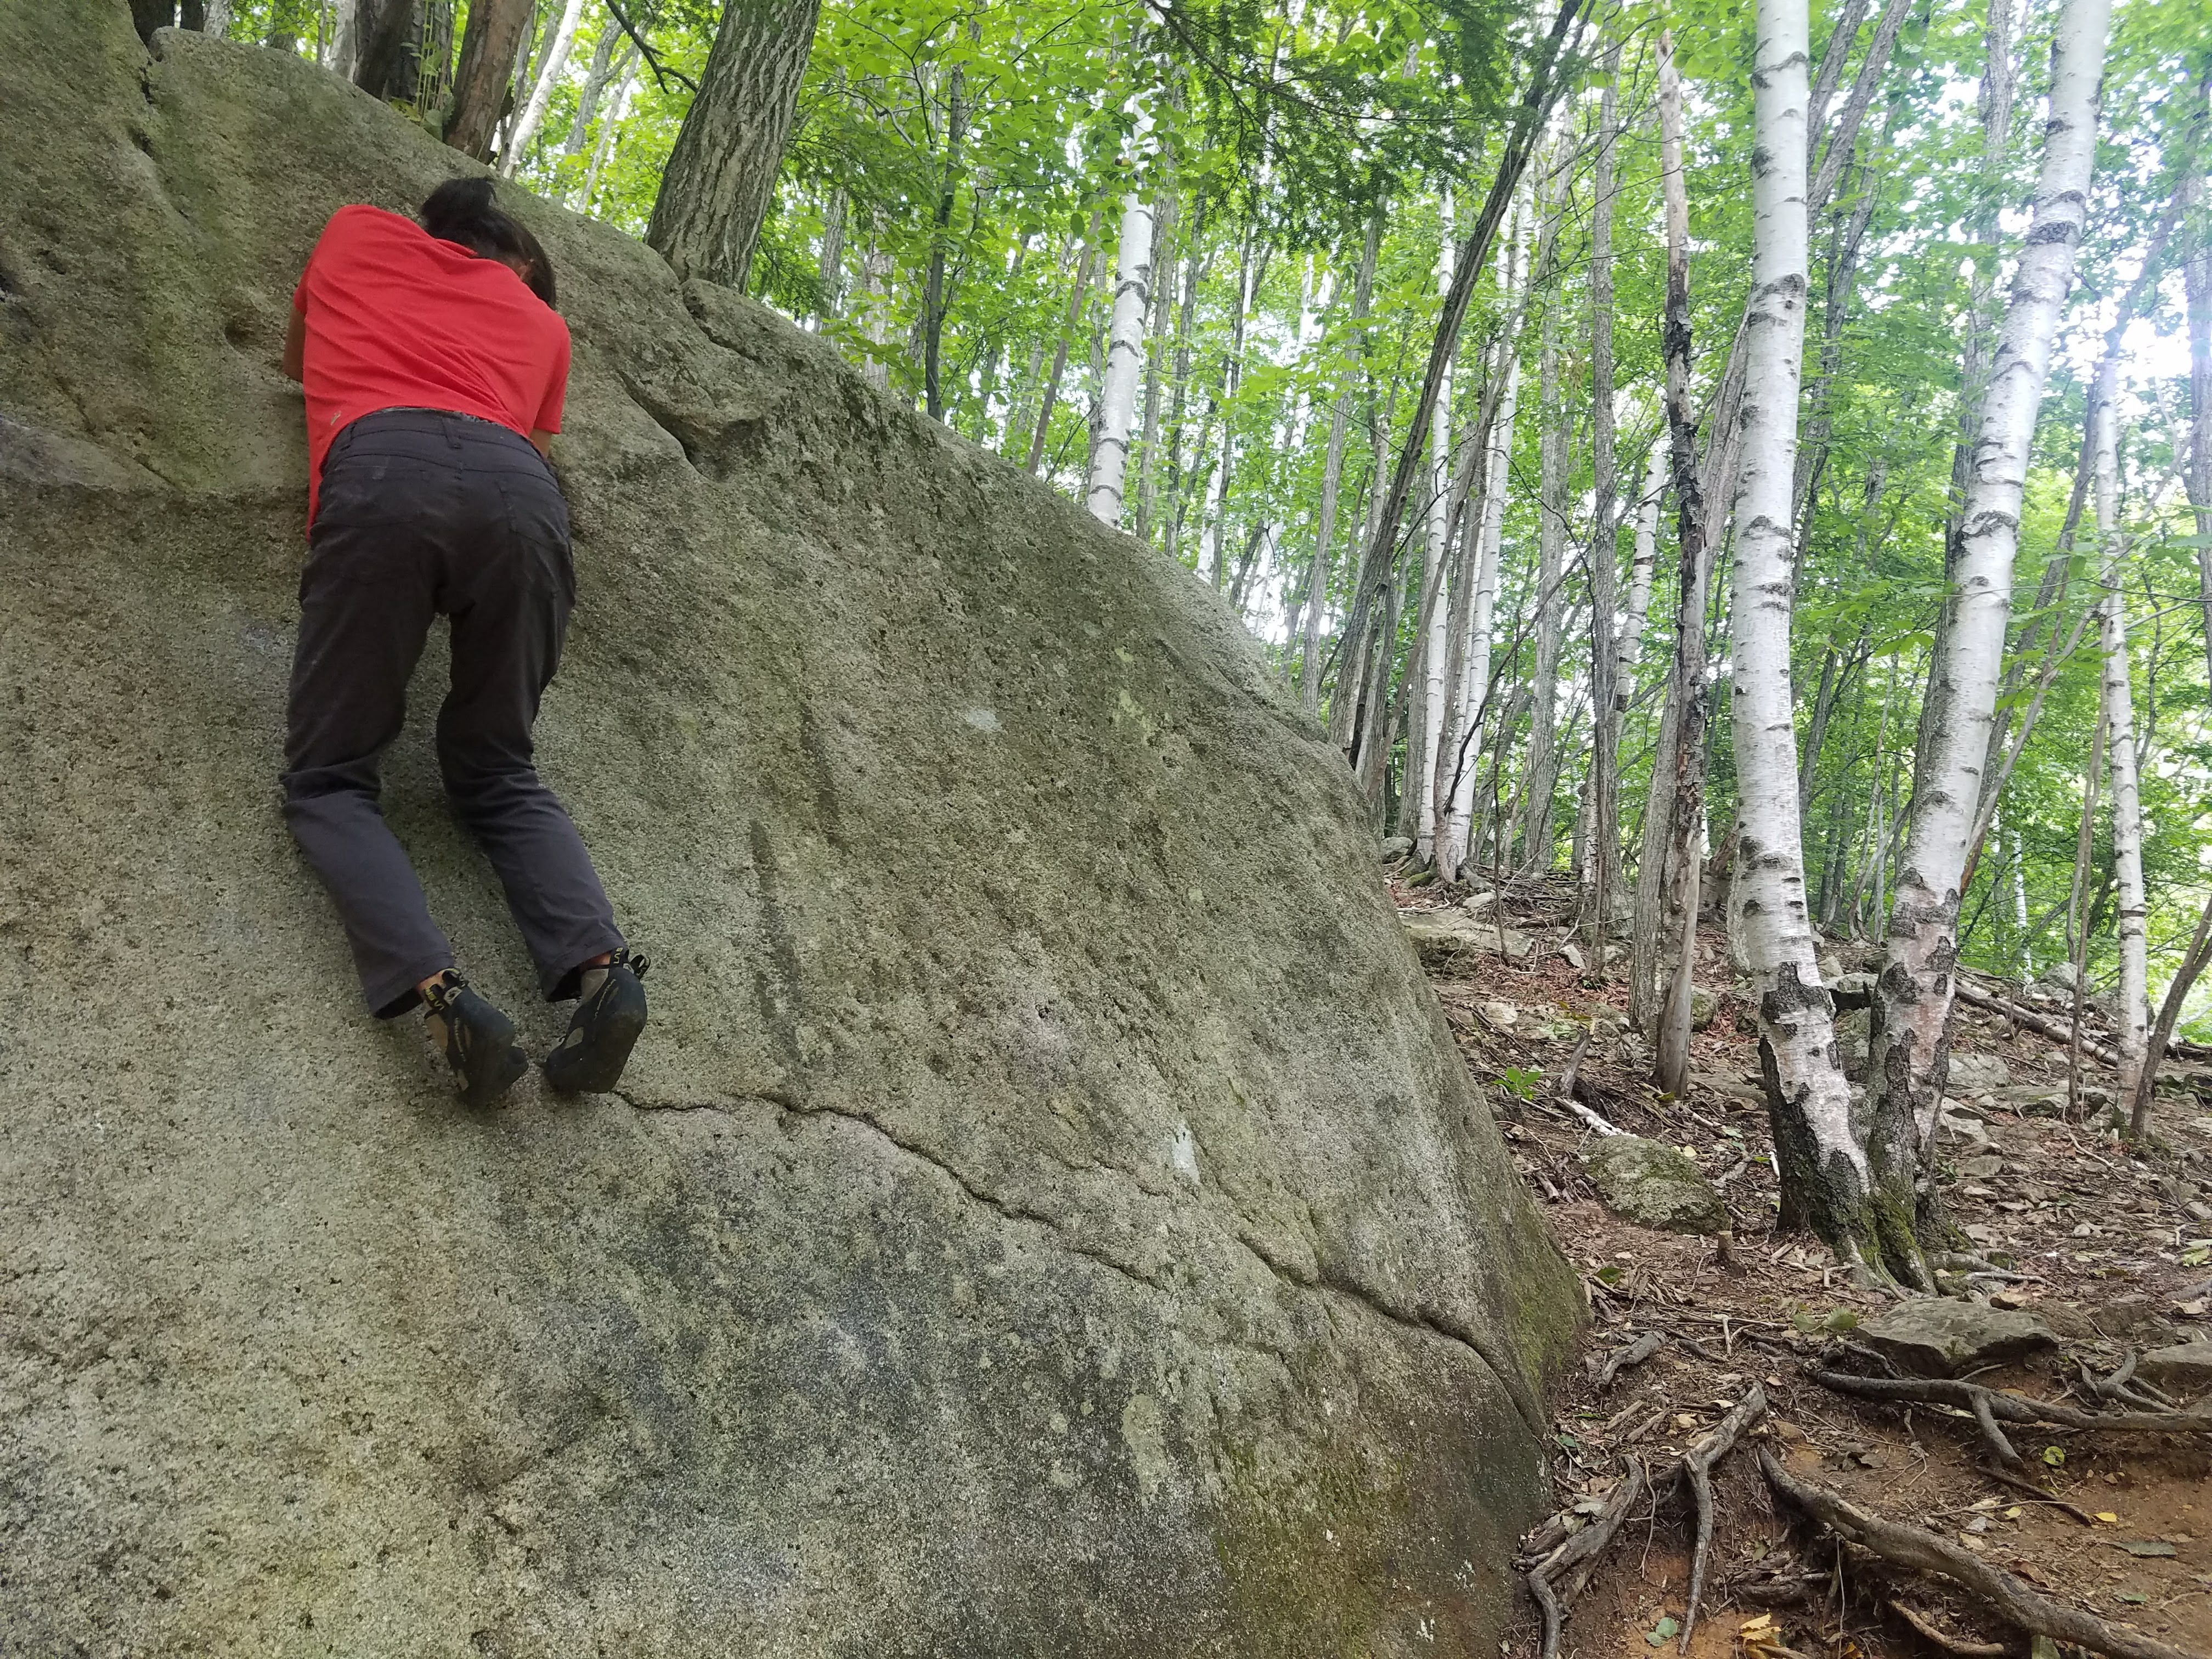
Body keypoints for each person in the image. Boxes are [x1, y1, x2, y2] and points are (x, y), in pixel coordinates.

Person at [280, 176, 645, 1107]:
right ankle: (604, 971)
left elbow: (296, 357)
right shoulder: (543, 327)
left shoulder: (354, 229)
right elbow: (528, 450)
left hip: (382, 469)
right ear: (519, 264)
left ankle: (442, 996)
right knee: (499, 769)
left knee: (329, 779)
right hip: (523, 499)